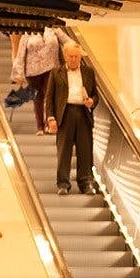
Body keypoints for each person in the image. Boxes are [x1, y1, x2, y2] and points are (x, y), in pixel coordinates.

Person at [43, 40, 97, 194]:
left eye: (77, 56)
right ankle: (63, 184)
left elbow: (95, 95)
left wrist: (92, 101)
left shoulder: (89, 72)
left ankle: (85, 183)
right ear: (65, 56)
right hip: (65, 114)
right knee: (64, 151)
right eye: (71, 56)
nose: (74, 59)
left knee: (85, 150)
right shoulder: (56, 73)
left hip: (83, 113)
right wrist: (51, 118)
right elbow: (49, 98)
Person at [16, 25, 63, 134]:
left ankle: (49, 123)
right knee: (37, 98)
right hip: (32, 71)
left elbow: (66, 41)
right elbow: (21, 53)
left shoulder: (54, 30)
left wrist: (77, 48)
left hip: (51, 68)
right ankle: (40, 127)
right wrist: (19, 73)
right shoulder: (27, 33)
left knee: (49, 95)